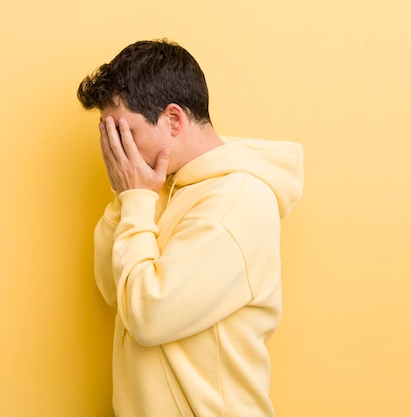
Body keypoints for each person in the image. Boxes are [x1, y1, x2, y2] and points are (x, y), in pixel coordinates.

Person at [77, 39, 304, 417]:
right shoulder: (160, 188)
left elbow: (147, 318)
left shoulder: (237, 201)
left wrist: (136, 199)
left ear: (173, 119)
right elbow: (112, 288)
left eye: (125, 133)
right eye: (110, 136)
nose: (117, 151)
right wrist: (126, 197)